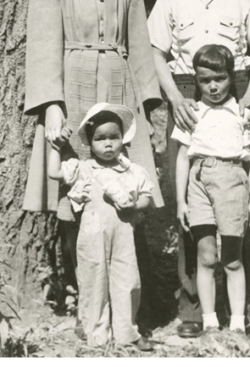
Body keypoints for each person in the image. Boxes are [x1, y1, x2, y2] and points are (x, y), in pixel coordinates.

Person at [23, 0, 163, 319]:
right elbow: (45, 44)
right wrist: (51, 106)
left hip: (119, 92)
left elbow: (139, 44)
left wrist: (151, 106)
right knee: (73, 196)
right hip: (75, 86)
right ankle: (80, 295)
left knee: (124, 193)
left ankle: (124, 301)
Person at [147, 0, 250, 338]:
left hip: (233, 90)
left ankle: (247, 311)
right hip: (186, 93)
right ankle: (192, 310)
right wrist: (175, 98)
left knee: (237, 204)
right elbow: (156, 54)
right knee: (190, 205)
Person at [48, 103, 153, 350]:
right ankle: (97, 334)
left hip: (124, 233)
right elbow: (54, 172)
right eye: (100, 138)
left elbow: (146, 197)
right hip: (92, 234)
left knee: (127, 279)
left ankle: (127, 333)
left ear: (123, 139)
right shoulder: (82, 168)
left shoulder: (132, 170)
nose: (108, 144)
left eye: (114, 137)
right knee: (94, 280)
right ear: (89, 141)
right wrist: (56, 147)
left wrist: (134, 206)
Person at [173, 45, 250, 335]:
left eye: (220, 79)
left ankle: (237, 322)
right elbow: (183, 157)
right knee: (206, 255)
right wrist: (181, 202)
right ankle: (209, 320)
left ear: (231, 77)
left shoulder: (242, 112)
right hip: (198, 183)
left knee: (232, 257)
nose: (212, 86)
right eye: (204, 80)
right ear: (196, 80)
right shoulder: (192, 112)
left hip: (232, 181)